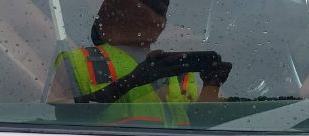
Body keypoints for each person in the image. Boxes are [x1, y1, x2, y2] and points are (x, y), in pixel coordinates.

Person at [50, 0, 231, 127]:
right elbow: (57, 117)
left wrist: (211, 84)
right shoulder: (79, 62)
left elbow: (197, 127)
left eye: (161, 9)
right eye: (147, 5)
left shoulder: (180, 72)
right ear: (115, 11)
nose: (157, 14)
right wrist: (132, 81)